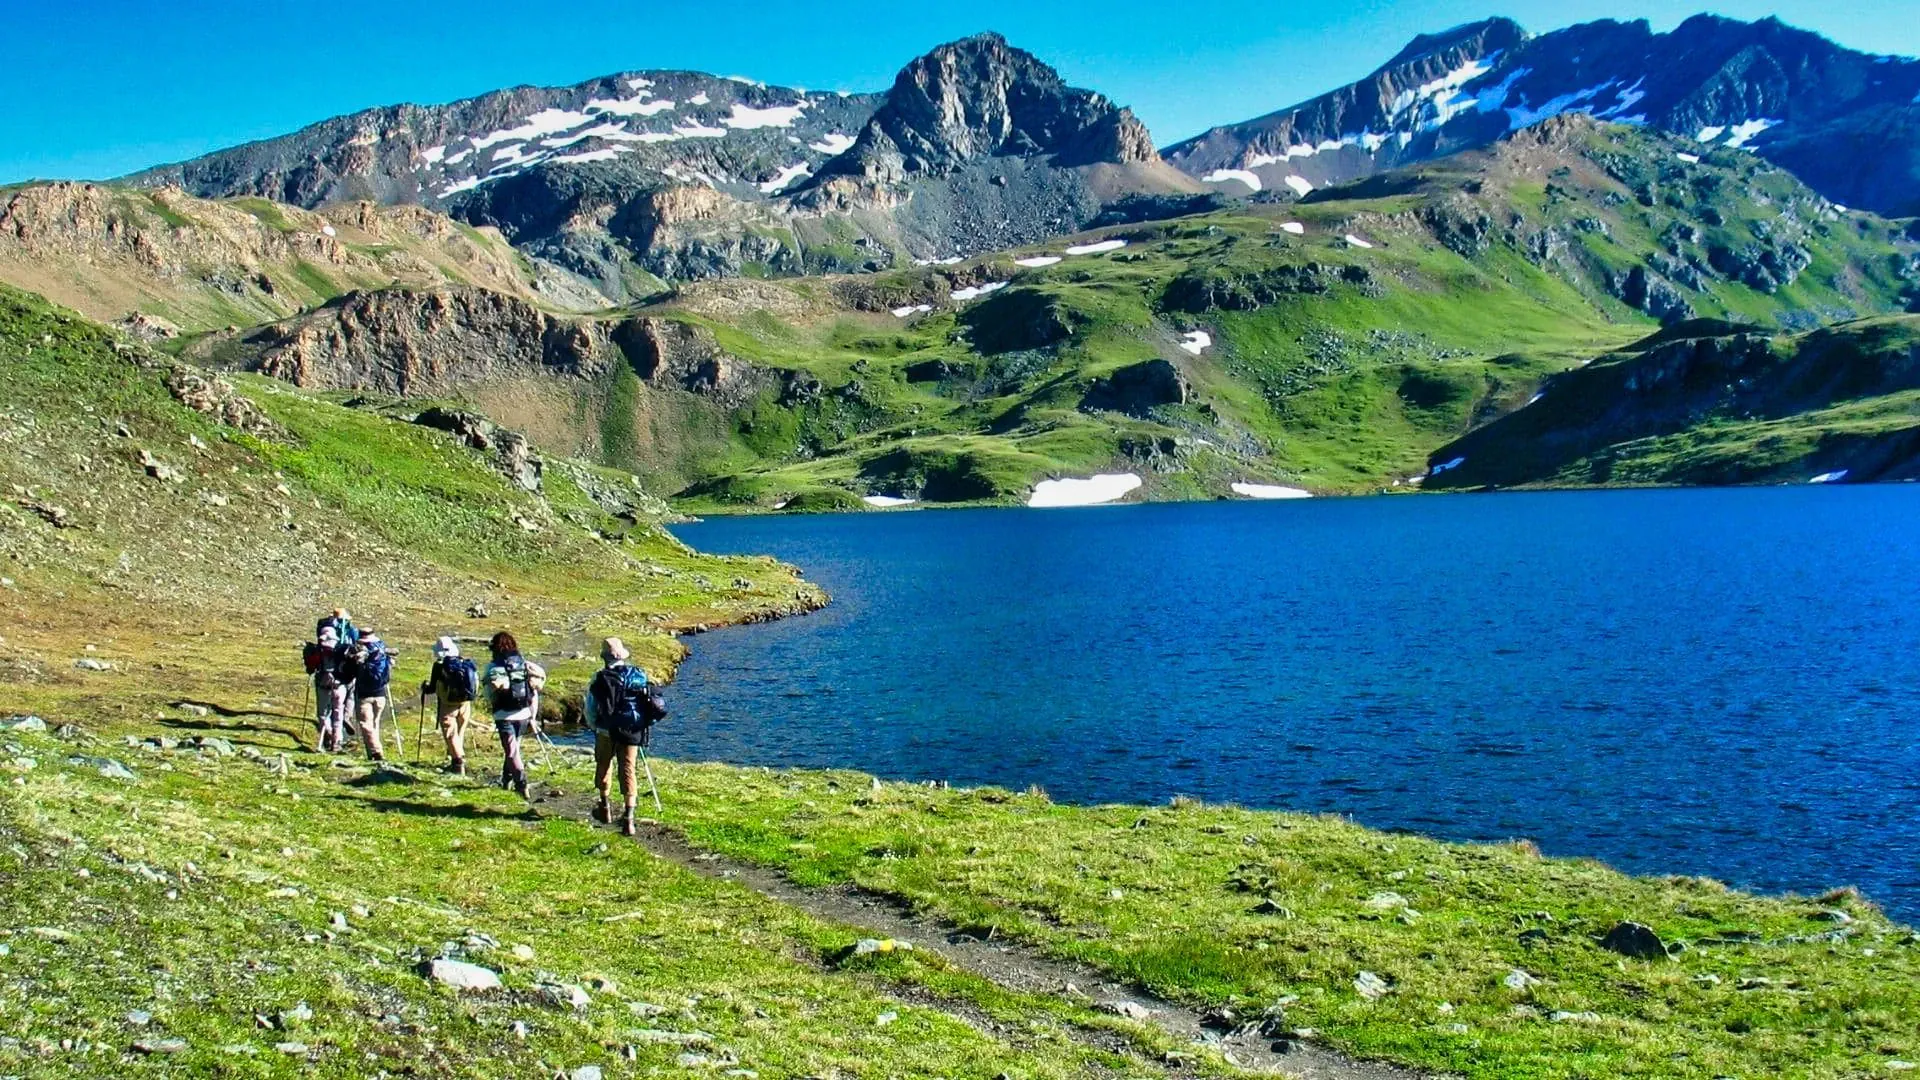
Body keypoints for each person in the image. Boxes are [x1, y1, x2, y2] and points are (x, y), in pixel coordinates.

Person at [585, 637, 652, 835]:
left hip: (606, 730)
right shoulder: (638, 675)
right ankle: (629, 818)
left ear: (604, 658)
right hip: (632, 730)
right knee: (628, 770)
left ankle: (604, 807)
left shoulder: (599, 678)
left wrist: (594, 726)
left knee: (604, 764)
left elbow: (590, 709)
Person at [484, 631, 545, 798]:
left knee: (511, 751)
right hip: (523, 713)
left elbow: (489, 694)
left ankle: (521, 783)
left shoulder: (493, 667)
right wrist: (532, 715)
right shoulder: (522, 663)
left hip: (503, 715)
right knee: (514, 748)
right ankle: (506, 779)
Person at [421, 636, 478, 775]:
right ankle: (456, 758)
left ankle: (458, 763)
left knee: (450, 733)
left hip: (448, 704)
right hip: (465, 703)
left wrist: (425, 687)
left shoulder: (440, 666)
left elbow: (432, 688)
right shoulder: (465, 662)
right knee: (459, 732)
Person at [347, 630, 395, 764]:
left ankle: (376, 752)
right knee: (375, 724)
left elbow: (351, 671)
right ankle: (373, 755)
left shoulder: (358, 651)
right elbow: (390, 668)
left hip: (364, 694)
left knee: (365, 724)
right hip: (381, 694)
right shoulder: (382, 651)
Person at [308, 624, 354, 753]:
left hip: (323, 686)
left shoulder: (317, 650)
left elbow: (311, 668)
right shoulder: (342, 649)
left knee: (323, 715)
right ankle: (337, 742)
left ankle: (327, 734)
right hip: (340, 686)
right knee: (338, 714)